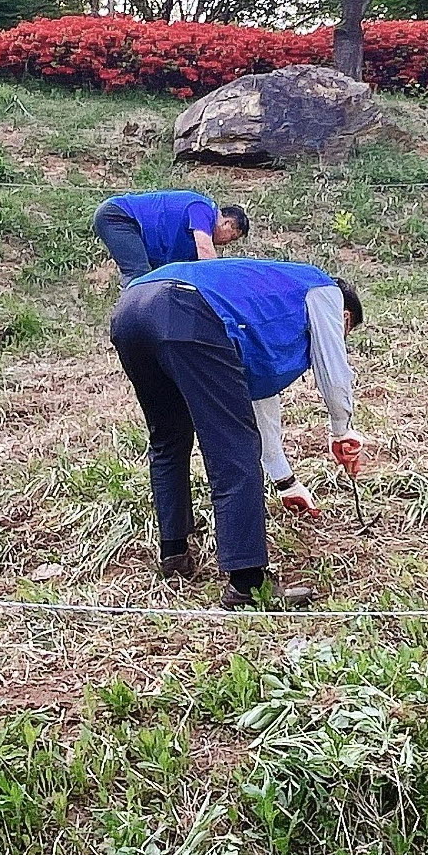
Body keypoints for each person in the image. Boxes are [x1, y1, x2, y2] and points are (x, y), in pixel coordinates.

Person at [111, 257, 365, 610]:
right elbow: (333, 370)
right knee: (235, 450)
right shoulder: (322, 290)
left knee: (169, 439)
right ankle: (248, 584)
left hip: (131, 309)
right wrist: (342, 429)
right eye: (346, 331)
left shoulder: (260, 305)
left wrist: (286, 482)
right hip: (188, 309)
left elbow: (260, 402)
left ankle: (174, 553)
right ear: (345, 316)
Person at [92, 189, 249, 284]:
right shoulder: (204, 208)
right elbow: (206, 253)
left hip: (135, 229)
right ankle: (129, 324)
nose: (227, 243)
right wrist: (222, 286)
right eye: (232, 237)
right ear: (228, 223)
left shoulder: (190, 249)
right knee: (139, 276)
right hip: (120, 215)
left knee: (153, 280)